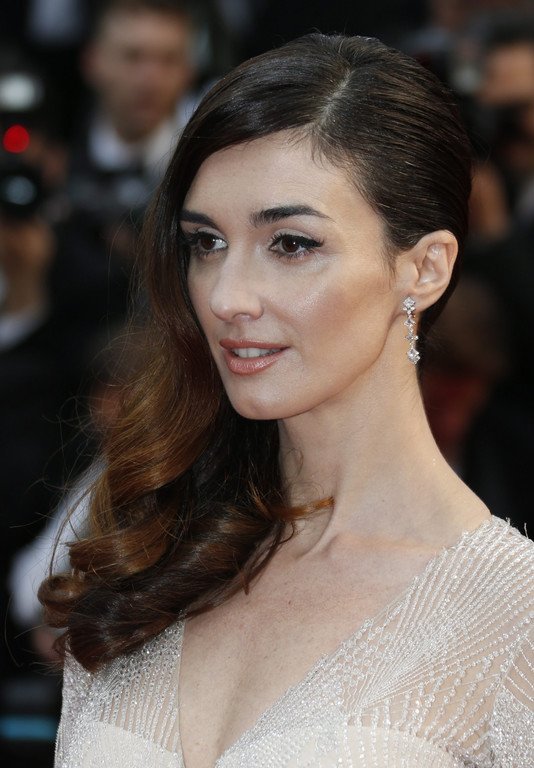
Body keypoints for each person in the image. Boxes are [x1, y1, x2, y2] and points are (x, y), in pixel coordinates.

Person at [40, 33, 533, 767]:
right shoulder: (150, 556)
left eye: (292, 244)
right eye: (206, 243)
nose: (227, 297)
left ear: (425, 269)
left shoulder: (514, 618)